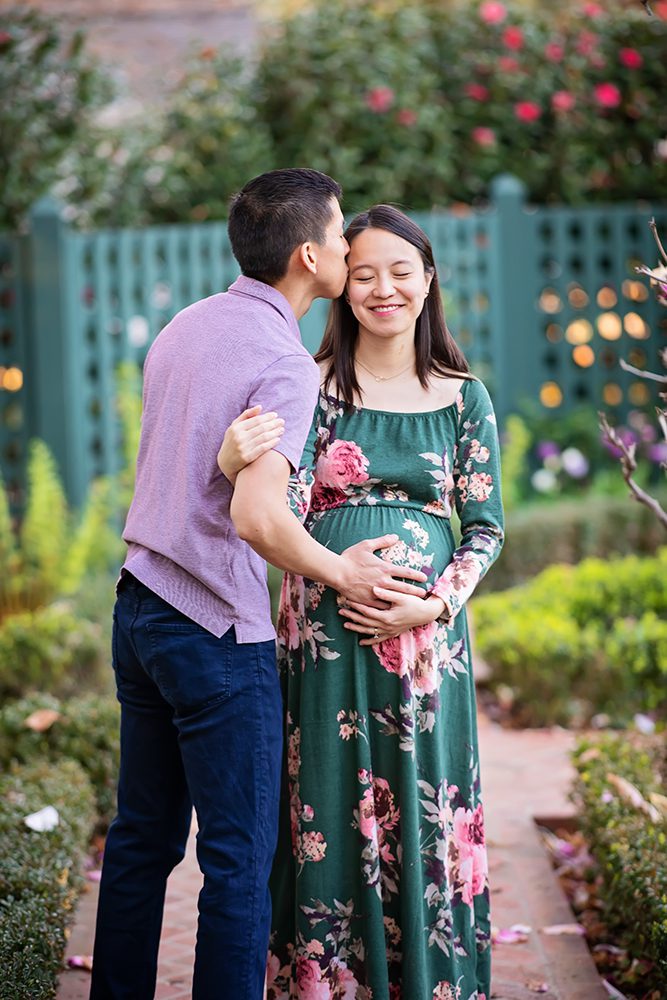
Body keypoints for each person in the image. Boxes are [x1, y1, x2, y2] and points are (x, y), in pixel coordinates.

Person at [90, 174, 429, 1000]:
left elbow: (183, 467)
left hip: (138, 608)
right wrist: (341, 568)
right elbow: (255, 517)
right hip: (212, 630)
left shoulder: (183, 327)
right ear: (311, 256)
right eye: (343, 234)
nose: (352, 248)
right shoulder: (283, 361)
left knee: (140, 841)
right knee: (239, 860)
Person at [218, 205, 505, 1000]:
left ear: (427, 280)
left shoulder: (463, 398)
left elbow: (485, 530)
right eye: (365, 272)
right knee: (327, 808)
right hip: (325, 638)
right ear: (343, 285)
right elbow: (276, 502)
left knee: (426, 811)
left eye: (400, 271)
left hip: (426, 650)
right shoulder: (308, 387)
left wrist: (433, 606)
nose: (382, 288)